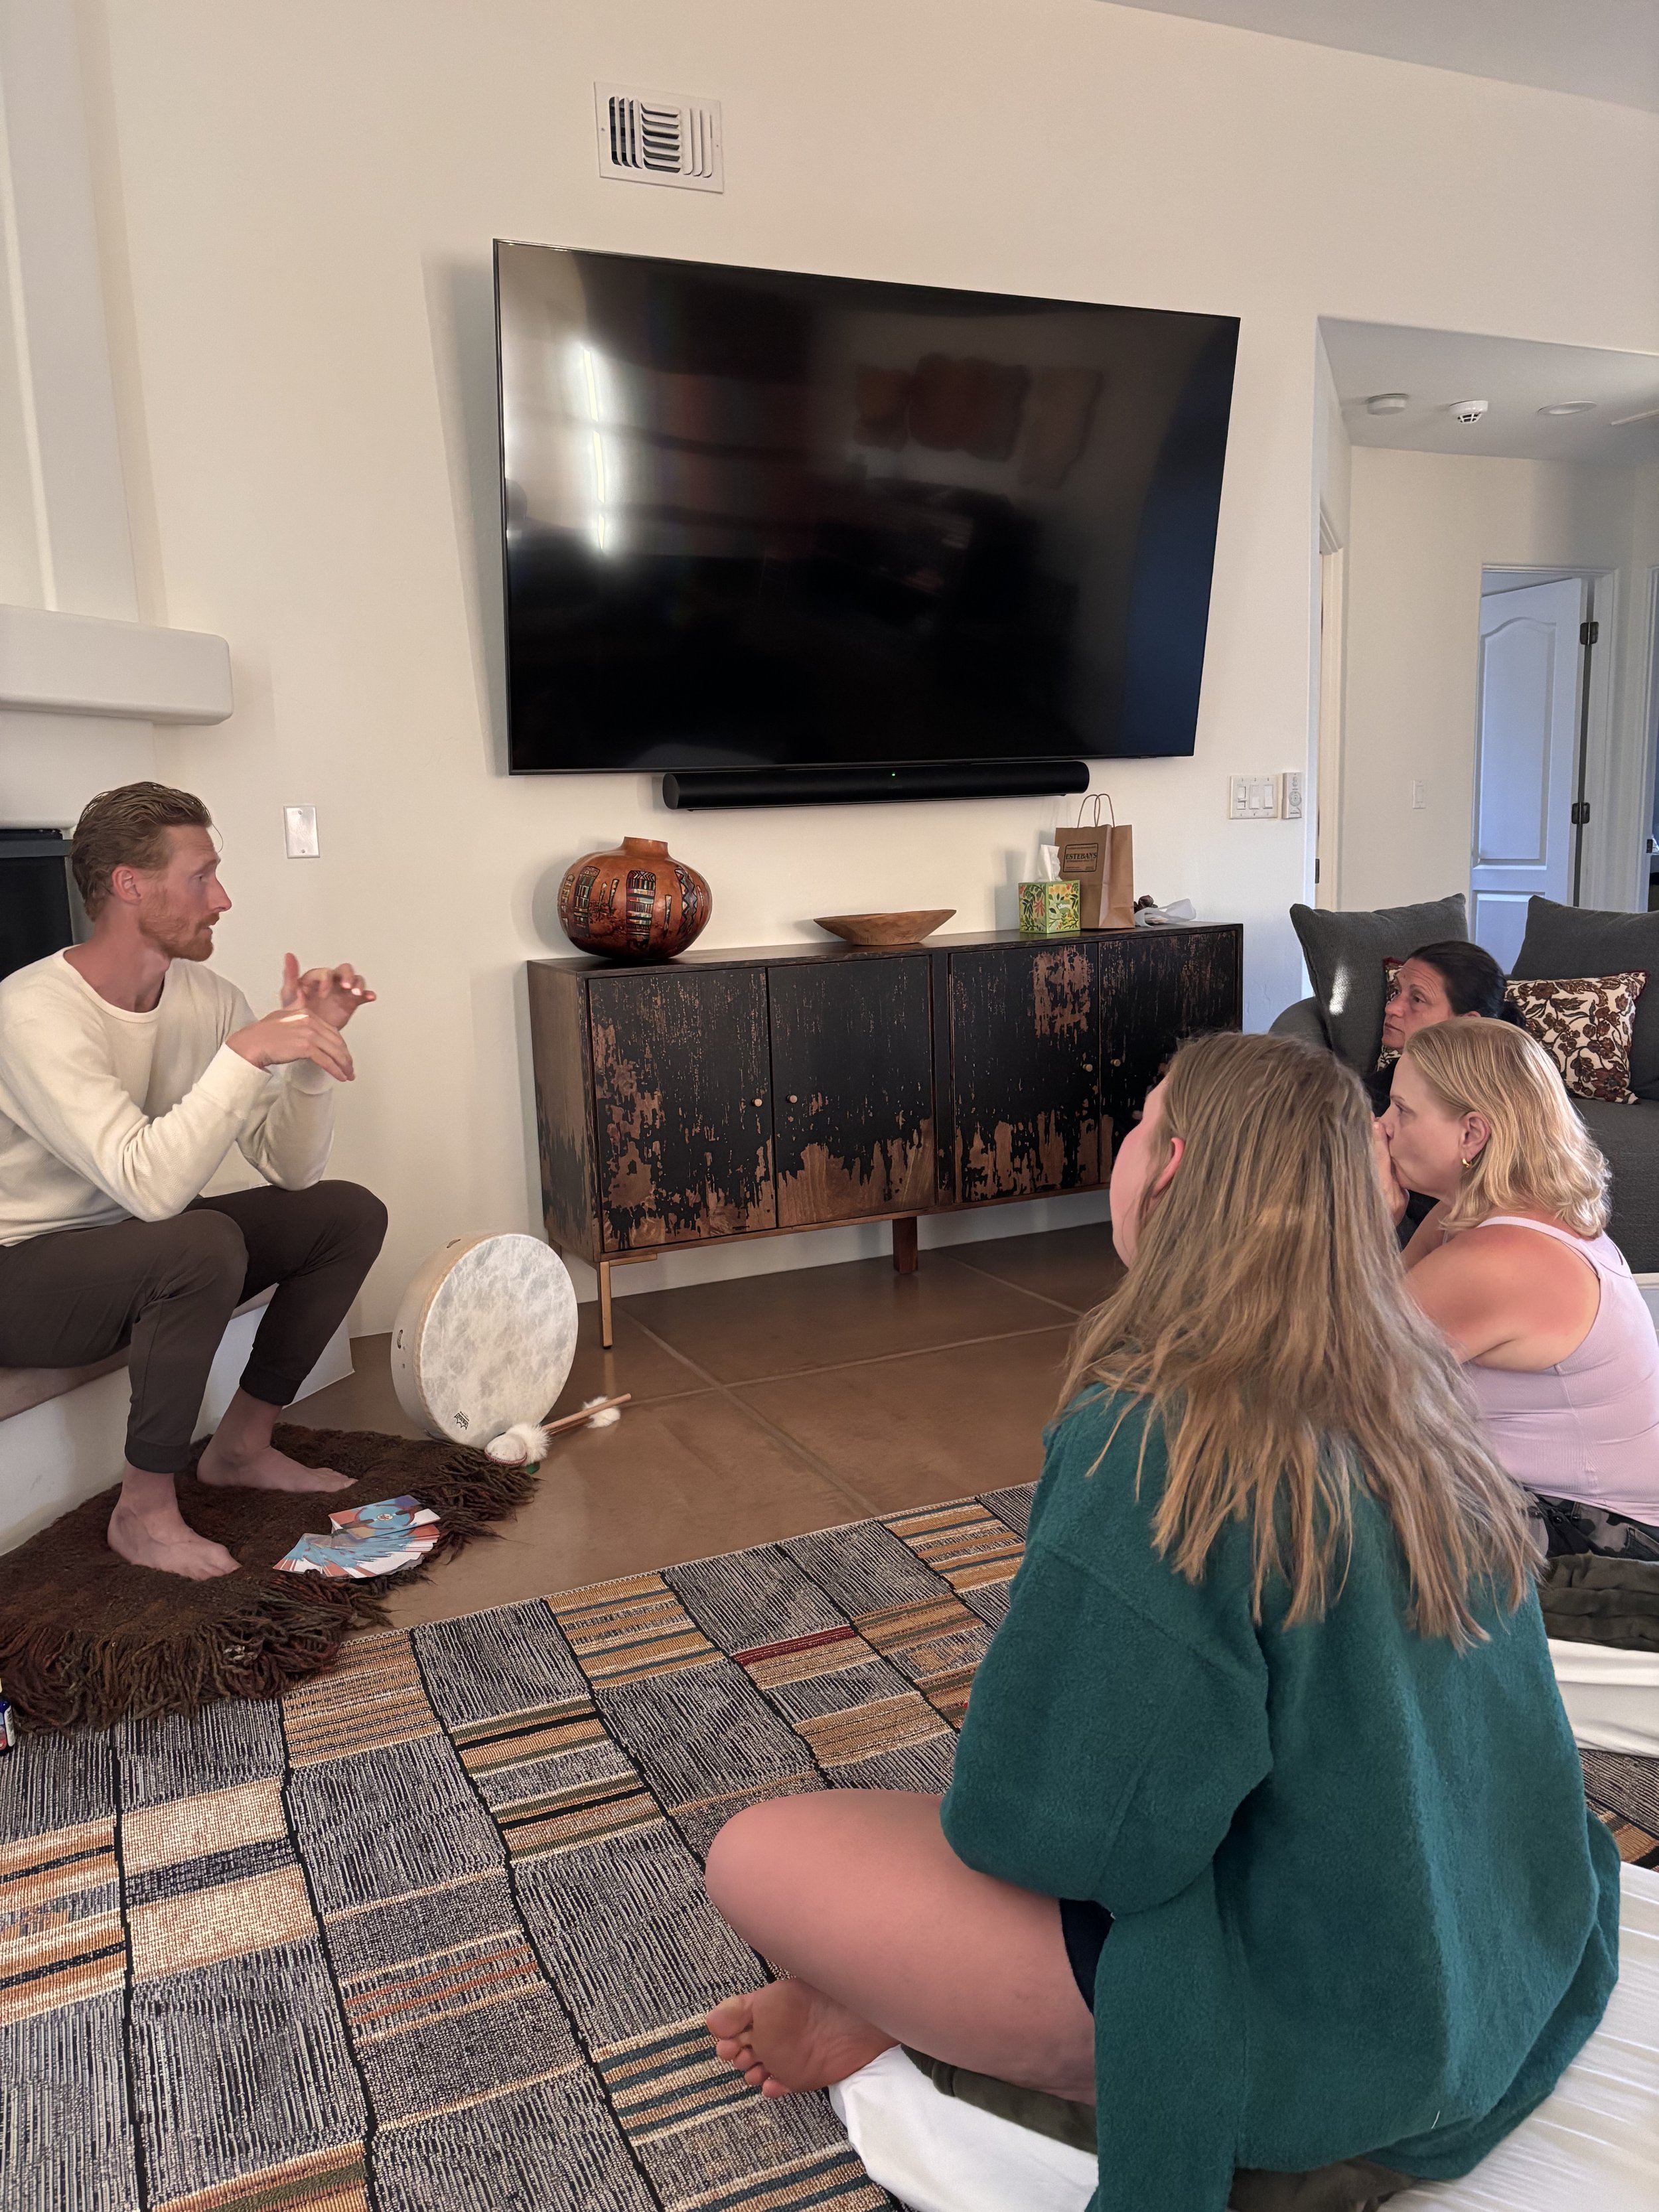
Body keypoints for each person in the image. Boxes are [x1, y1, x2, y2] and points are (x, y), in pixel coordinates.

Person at [701, 1032, 1618, 2212]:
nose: (1125, 1146)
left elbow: (1055, 1839)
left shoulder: (1157, 1437)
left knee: (760, 1853)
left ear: (1173, 1164)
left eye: (1139, 1120)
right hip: (1489, 1952)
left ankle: (927, 2019)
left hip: (1328, 2020)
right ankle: (892, 2002)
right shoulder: (1417, 1381)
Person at [0, 782, 386, 1580]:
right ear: (129, 885)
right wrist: (247, 1054)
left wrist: (309, 1055)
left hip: (136, 1245)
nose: (223, 899)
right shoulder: (32, 1012)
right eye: (201, 876)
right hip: (24, 1276)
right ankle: (142, 1511)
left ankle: (241, 1446)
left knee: (346, 1214)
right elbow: (150, 1190)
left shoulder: (209, 999)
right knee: (199, 1240)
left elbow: (291, 1169)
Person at [1381, 1015, 1659, 1560]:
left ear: (1472, 1133)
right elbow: (1376, 1314)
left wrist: (1360, 1217)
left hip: (1601, 1543)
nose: (1382, 1125)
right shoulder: (1480, 1213)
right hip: (1551, 1505)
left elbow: (1332, 1381)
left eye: (1402, 1110)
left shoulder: (1502, 1260)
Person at [1368, 937, 1512, 1112]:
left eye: (1417, 999)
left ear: (1467, 1023)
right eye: (1398, 991)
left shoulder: (1503, 1105)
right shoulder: (1376, 1091)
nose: (1391, 1008)